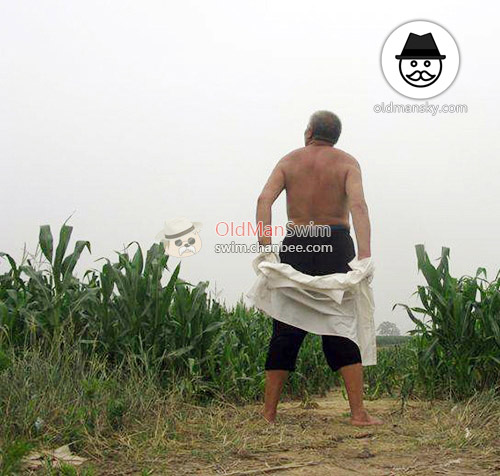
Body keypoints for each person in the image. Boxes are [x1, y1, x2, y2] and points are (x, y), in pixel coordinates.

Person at [255, 110, 383, 426]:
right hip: (336, 242)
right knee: (341, 324)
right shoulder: (347, 162)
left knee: (285, 327)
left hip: (298, 242)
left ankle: (269, 414)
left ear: (310, 131)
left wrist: (265, 248)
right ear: (334, 136)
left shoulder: (289, 161)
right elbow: (359, 207)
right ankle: (358, 413)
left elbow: (264, 200)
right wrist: (364, 257)